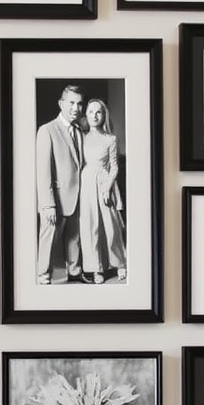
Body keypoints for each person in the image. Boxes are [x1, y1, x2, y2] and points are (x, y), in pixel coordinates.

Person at [36, 85, 84, 285]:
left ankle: (74, 273)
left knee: (74, 238)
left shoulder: (79, 131)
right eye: (71, 103)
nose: (76, 108)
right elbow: (43, 170)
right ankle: (43, 277)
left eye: (79, 103)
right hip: (55, 199)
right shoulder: (47, 130)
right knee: (48, 239)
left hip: (77, 195)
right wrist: (48, 204)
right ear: (61, 103)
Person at [79, 98, 127, 284]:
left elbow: (114, 167)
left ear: (103, 115)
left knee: (111, 225)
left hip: (104, 182)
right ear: (86, 115)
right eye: (90, 112)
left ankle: (119, 263)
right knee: (90, 227)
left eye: (98, 112)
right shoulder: (81, 137)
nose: (94, 115)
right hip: (86, 182)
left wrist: (107, 187)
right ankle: (95, 268)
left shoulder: (110, 139)